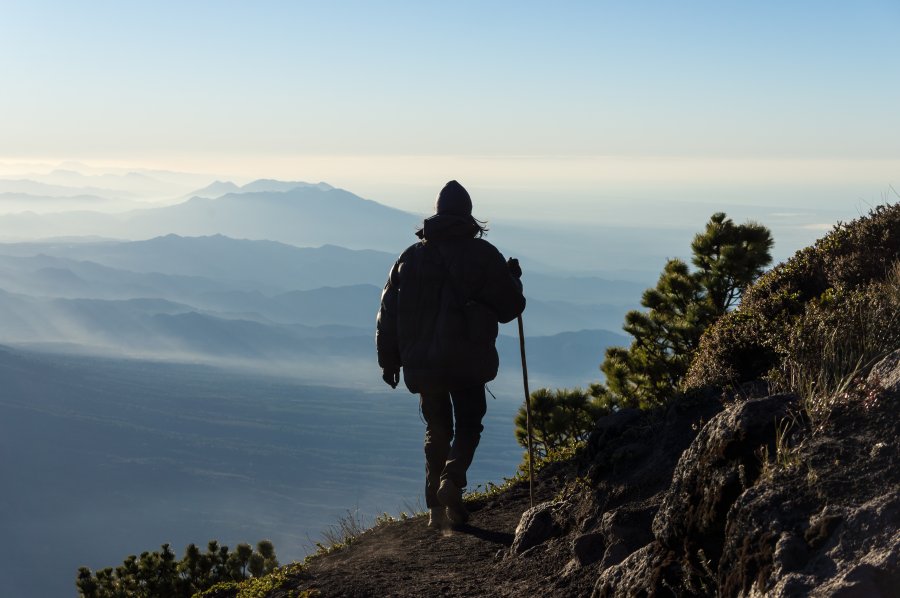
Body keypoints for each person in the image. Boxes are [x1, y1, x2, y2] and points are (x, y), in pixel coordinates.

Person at [376, 180, 526, 529]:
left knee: (437, 427)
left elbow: (388, 313)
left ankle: (436, 511)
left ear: (437, 213)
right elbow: (510, 307)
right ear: (468, 215)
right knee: (469, 424)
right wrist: (513, 279)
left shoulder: (409, 258)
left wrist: (389, 361)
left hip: (422, 363)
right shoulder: (484, 256)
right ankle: (452, 480)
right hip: (467, 361)